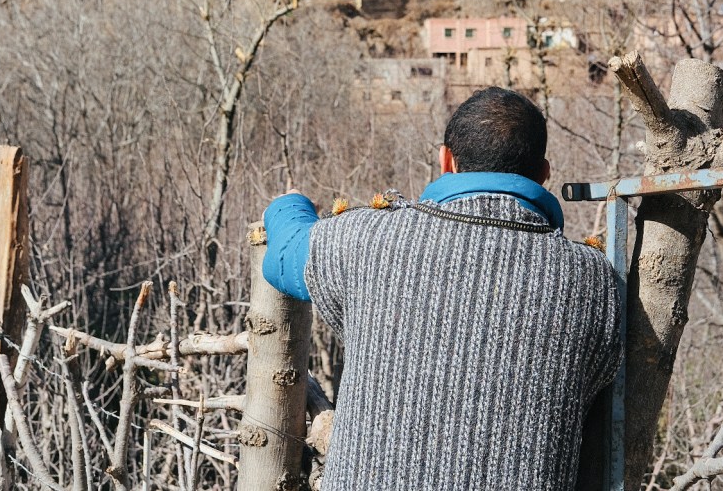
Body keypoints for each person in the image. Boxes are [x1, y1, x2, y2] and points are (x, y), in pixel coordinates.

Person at [263, 87, 623, 491]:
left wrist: (288, 205)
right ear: (544, 173)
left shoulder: (368, 239)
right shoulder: (595, 282)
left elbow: (283, 257)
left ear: (446, 161)